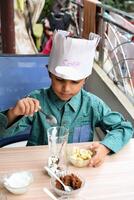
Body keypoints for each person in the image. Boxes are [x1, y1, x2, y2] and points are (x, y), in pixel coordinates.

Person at [0, 30, 133, 167]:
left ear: (85, 80)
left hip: (76, 170)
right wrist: (13, 113)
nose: (66, 88)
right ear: (49, 73)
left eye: (75, 82)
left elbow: (124, 127)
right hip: (38, 166)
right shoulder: (36, 101)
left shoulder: (93, 105)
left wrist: (105, 147)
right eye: (59, 80)